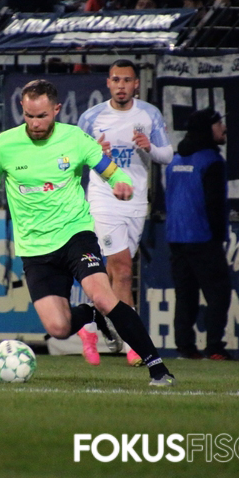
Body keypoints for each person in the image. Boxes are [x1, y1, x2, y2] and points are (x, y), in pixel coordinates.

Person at [0, 79, 176, 387]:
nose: (35, 123)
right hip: (35, 248)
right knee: (58, 328)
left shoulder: (75, 139)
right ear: (22, 109)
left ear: (56, 110)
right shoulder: (4, 144)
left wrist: (120, 182)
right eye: (29, 116)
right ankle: (91, 317)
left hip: (75, 234)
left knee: (104, 297)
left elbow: (108, 168)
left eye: (42, 116)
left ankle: (158, 368)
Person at [77, 59, 174, 366]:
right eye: (116, 80)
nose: (121, 85)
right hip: (103, 200)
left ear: (136, 84)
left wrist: (148, 148)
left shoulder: (149, 114)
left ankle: (89, 327)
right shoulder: (91, 117)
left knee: (113, 274)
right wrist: (95, 154)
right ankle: (135, 343)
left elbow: (167, 155)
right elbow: (73, 157)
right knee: (122, 269)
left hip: (135, 201)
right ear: (108, 83)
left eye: (127, 80)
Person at [166, 109, 233, 360]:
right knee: (219, 292)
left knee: (185, 294)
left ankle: (185, 347)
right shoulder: (211, 161)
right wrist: (218, 237)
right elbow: (214, 204)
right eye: (218, 124)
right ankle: (214, 347)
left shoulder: (174, 161)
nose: (223, 128)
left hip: (175, 236)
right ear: (207, 129)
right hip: (202, 237)